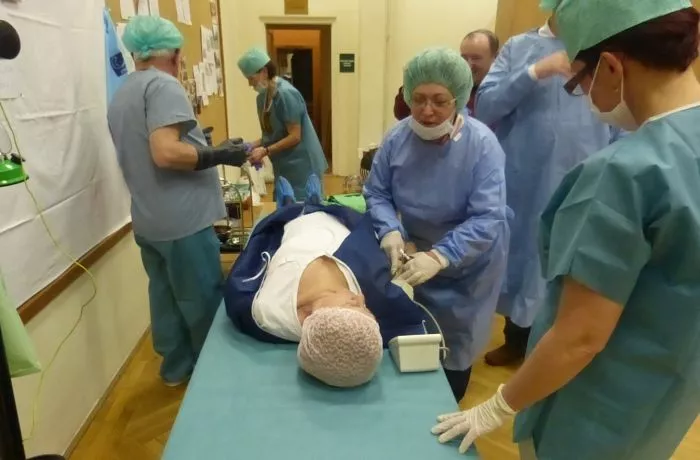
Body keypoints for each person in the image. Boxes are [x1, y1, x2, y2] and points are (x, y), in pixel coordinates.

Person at [432, 1, 700, 458]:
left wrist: (498, 405)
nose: (584, 96)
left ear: (611, 67)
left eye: (578, 82)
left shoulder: (623, 173)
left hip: (591, 412)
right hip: (667, 396)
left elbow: (580, 336)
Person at [474, 10, 625, 367]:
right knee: (524, 261)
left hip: (585, 180)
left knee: (571, 265)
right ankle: (517, 341)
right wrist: (535, 72)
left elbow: (624, 115)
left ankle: (557, 349)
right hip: (525, 179)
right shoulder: (519, 47)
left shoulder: (606, 50)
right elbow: (485, 107)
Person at [108, 16, 249, 386]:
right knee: (201, 299)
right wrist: (219, 154)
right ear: (173, 54)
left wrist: (202, 144)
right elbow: (165, 153)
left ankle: (175, 369)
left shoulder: (122, 92)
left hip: (148, 220)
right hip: (183, 222)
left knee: (165, 298)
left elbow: (145, 148)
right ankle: (212, 376)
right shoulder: (163, 85)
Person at [364, 47, 510, 403]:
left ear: (458, 99)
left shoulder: (482, 146)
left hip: (468, 266)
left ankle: (449, 402)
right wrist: (390, 230)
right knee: (412, 334)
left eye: (440, 101)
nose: (427, 111)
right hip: (413, 253)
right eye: (418, 99)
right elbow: (378, 192)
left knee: (454, 351)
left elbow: (487, 216)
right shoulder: (397, 139)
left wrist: (442, 255)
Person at [224, 175, 428, 388]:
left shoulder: (267, 310)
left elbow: (244, 273)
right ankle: (315, 202)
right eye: (366, 309)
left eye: (353, 305)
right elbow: (406, 323)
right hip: (335, 220)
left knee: (290, 213)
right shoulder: (374, 302)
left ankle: (289, 204)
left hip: (293, 225)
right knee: (322, 209)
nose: (360, 298)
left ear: (309, 318)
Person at [237, 48, 328, 201]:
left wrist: (265, 151)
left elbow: (295, 136)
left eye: (251, 78)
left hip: (303, 164)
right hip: (284, 163)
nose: (249, 84)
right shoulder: (263, 98)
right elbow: (274, 134)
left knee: (304, 206)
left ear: (264, 72)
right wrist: (252, 145)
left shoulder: (286, 94)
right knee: (284, 204)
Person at [459, 29, 499, 114]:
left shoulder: (502, 96)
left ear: (495, 58)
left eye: (475, 58)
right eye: (464, 58)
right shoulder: (455, 89)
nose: (468, 65)